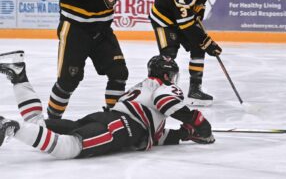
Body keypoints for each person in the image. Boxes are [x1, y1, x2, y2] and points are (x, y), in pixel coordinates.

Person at [0, 51, 215, 159]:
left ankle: (19, 76)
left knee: (39, 124)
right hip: (124, 127)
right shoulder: (165, 87)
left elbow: (155, 133)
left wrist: (182, 135)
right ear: (168, 75)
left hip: (108, 120)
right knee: (71, 148)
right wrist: (197, 121)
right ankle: (11, 126)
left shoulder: (143, 87)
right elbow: (166, 102)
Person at [47, 0, 141, 119]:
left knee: (119, 73)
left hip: (102, 29)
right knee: (68, 80)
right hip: (76, 28)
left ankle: (114, 118)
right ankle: (51, 121)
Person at [149, 0, 222, 106]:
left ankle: (195, 90)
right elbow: (186, 26)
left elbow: (198, 8)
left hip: (181, 18)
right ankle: (161, 90)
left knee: (198, 47)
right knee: (169, 53)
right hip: (164, 19)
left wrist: (198, 19)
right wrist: (207, 42)